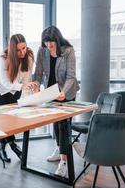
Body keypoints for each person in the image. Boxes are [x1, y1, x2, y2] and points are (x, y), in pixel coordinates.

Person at [32, 26, 80, 177]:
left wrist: (63, 92)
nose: (49, 45)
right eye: (46, 42)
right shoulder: (42, 51)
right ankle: (60, 149)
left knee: (64, 126)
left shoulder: (68, 51)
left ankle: (64, 162)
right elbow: (38, 73)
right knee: (55, 122)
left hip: (67, 92)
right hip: (51, 92)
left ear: (57, 40)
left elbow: (71, 76)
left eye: (51, 42)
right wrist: (35, 85)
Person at [0, 34, 36, 162]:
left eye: (24, 48)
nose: (22, 53)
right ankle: (11, 146)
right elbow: (5, 84)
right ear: (12, 50)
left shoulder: (29, 57)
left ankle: (4, 146)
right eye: (18, 50)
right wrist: (22, 86)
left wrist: (28, 89)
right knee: (1, 118)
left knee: (11, 117)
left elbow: (26, 78)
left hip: (16, 86)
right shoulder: (3, 59)